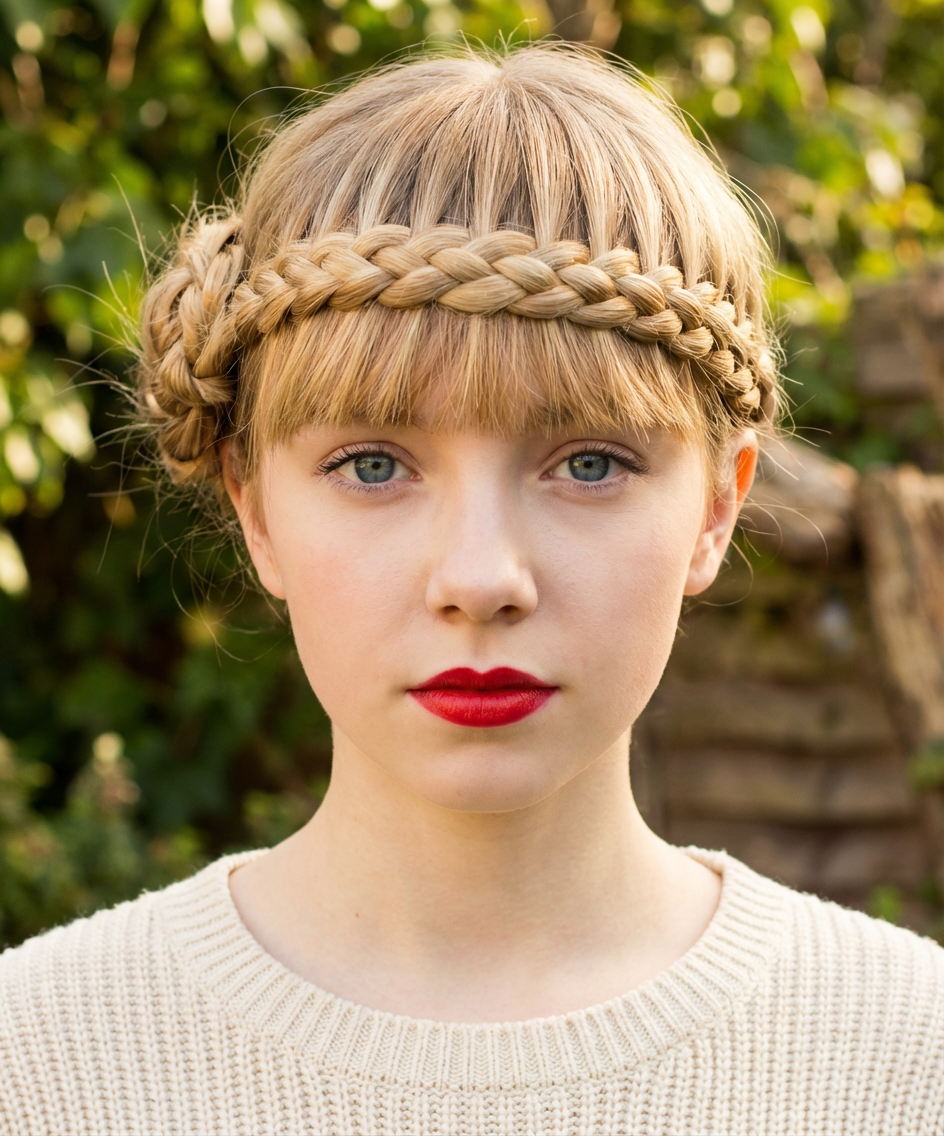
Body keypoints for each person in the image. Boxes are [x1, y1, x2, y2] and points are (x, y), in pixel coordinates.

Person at [1, 43, 941, 1136]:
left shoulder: (907, 1060)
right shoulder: (40, 1061)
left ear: (716, 509)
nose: (480, 578)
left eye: (588, 462)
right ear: (254, 506)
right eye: (372, 465)